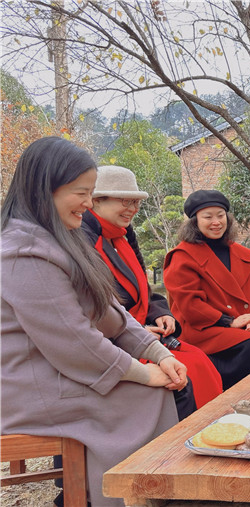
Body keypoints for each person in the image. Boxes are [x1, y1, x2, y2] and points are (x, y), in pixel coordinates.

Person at [1, 137, 187, 507]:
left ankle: (125, 493)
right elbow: (73, 341)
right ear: (45, 189)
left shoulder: (60, 238)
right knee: (145, 394)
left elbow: (109, 312)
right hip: (30, 385)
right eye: (81, 192)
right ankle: (113, 497)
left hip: (60, 369)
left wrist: (156, 352)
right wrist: (142, 371)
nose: (88, 203)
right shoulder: (22, 252)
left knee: (159, 385)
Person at [81, 165, 223, 418]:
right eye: (125, 201)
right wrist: (139, 331)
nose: (133, 209)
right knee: (186, 371)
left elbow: (142, 289)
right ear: (95, 200)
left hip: (144, 331)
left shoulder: (122, 236)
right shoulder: (83, 241)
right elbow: (95, 308)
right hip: (117, 342)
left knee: (200, 361)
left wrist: (159, 312)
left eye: (135, 202)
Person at [163, 190, 250, 390]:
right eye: (208, 217)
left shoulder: (244, 254)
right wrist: (230, 321)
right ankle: (244, 398)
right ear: (195, 221)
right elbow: (190, 305)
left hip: (243, 322)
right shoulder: (182, 256)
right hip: (203, 327)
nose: (216, 222)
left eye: (220, 215)